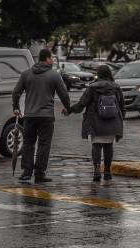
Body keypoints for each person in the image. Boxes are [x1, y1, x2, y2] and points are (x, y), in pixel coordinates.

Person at [12, 49, 71, 183]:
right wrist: (68, 108)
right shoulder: (54, 75)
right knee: (44, 144)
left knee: (28, 143)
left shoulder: (26, 74)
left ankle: (26, 173)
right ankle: (39, 174)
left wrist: (15, 107)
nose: (53, 60)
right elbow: (64, 94)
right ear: (47, 59)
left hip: (30, 116)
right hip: (46, 116)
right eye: (52, 58)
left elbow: (16, 92)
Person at [66, 65, 124, 182]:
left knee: (96, 145)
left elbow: (81, 104)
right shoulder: (116, 87)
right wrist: (121, 119)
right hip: (112, 121)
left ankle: (97, 169)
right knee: (108, 146)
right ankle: (107, 171)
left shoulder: (92, 88)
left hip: (95, 121)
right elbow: (122, 106)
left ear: (99, 74)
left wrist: (70, 110)